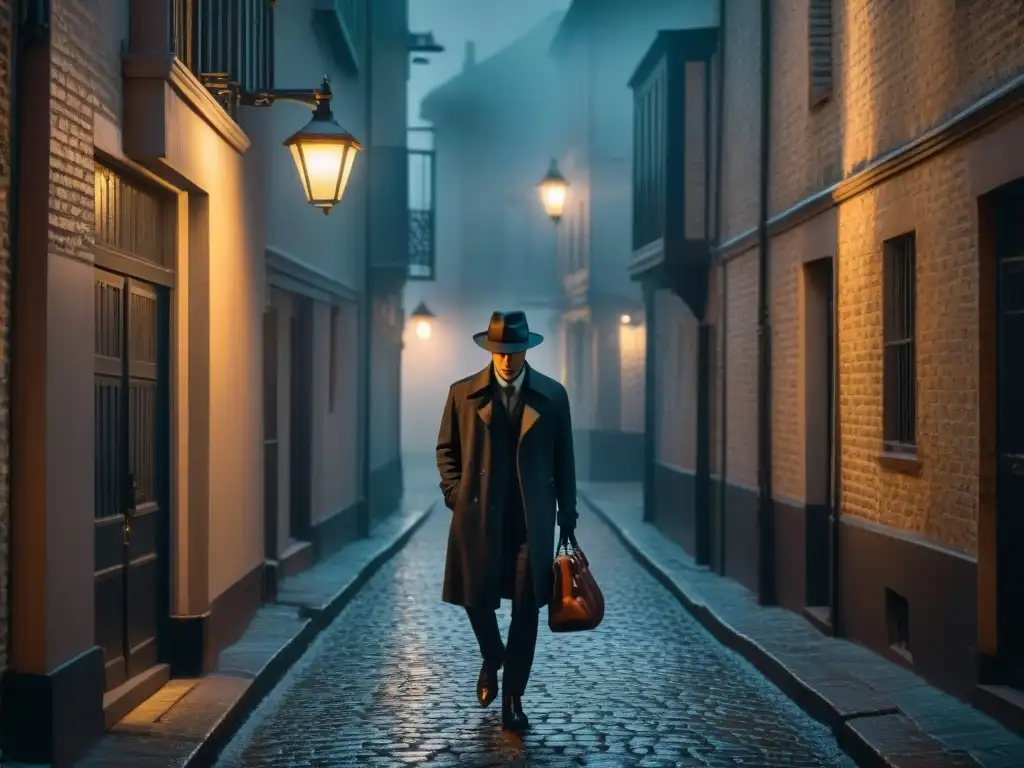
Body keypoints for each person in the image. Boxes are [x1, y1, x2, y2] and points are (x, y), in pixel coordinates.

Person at [435, 310, 578, 732]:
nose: (507, 361)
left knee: (525, 612)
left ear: (525, 351)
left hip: (530, 521)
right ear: (490, 351)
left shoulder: (552, 396)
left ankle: (513, 697)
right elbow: (447, 450)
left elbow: (564, 459)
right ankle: (493, 656)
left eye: (514, 352)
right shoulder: (463, 394)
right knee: (475, 598)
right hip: (477, 515)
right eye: (500, 352)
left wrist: (567, 512)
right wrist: (456, 496)